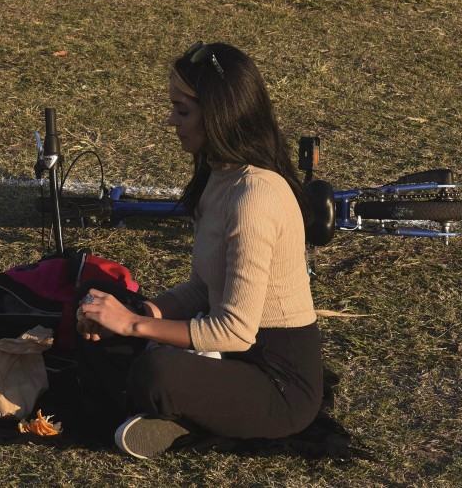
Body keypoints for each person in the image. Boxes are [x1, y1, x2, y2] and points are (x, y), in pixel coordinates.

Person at [75, 42, 323, 459]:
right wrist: (138, 313)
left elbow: (236, 331)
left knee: (155, 371)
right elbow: (200, 288)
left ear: (219, 114)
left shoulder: (256, 197)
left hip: (277, 383)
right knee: (93, 311)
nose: (171, 121)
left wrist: (134, 324)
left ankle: (177, 416)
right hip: (226, 353)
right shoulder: (218, 175)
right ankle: (176, 414)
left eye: (183, 111)